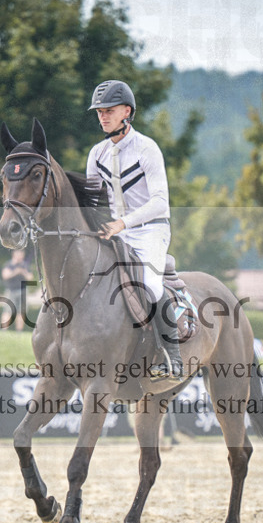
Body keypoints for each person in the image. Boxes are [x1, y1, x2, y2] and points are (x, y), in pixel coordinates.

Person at [85, 79, 181, 381]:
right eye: (99, 112)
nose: (103, 116)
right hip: (115, 232)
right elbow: (91, 201)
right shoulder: (96, 154)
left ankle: (172, 356)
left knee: (151, 285)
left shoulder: (147, 149)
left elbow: (160, 202)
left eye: (109, 111)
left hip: (151, 230)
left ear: (127, 111)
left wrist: (123, 223)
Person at [1, 248, 33, 331]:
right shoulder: (9, 264)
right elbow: (5, 275)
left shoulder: (25, 265)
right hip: (11, 290)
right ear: (14, 254)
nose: (20, 255)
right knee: (7, 311)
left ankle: (19, 331)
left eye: (21, 253)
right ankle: (4, 330)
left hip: (23, 291)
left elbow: (30, 277)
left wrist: (23, 272)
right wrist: (15, 272)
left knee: (21, 312)